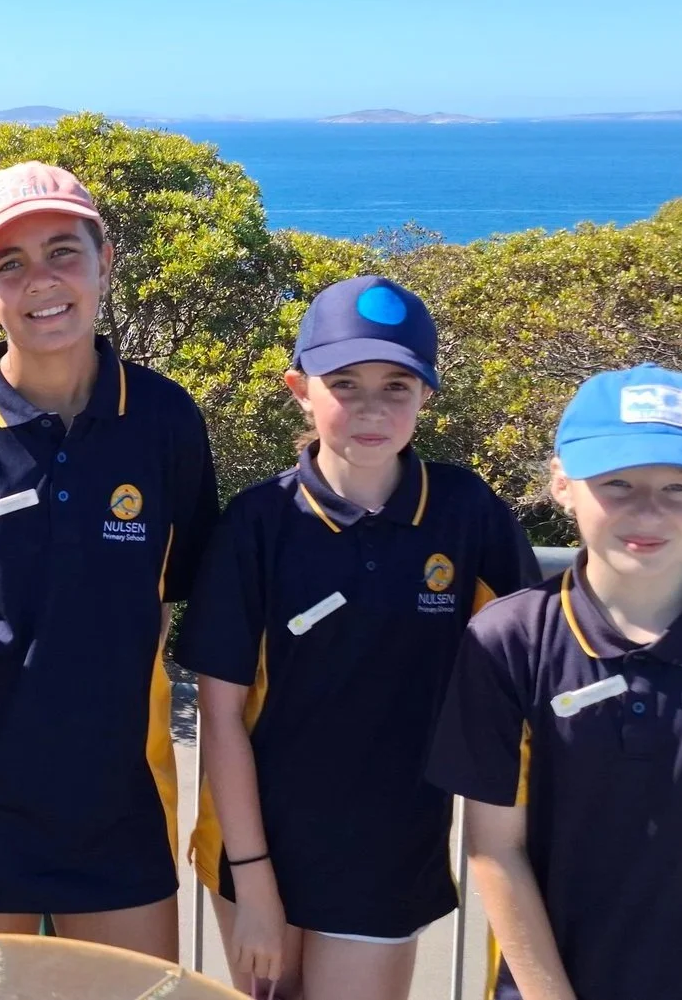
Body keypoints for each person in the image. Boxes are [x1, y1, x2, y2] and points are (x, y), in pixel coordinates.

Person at [0, 161, 219, 960]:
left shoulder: (164, 419)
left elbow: (162, 594)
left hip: (121, 799)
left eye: (62, 251)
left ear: (104, 261)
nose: (41, 281)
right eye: (9, 263)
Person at [173, 276, 539, 999]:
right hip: (254, 846)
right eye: (344, 383)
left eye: (396, 386)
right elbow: (220, 714)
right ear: (300, 390)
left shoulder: (465, 511)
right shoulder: (258, 523)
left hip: (390, 850)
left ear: (426, 393)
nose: (371, 408)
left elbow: (554, 624)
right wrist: (255, 883)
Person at [427, 364, 682, 1000]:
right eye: (617, 483)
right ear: (562, 484)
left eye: (679, 487)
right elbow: (494, 847)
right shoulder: (508, 639)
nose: (648, 511)